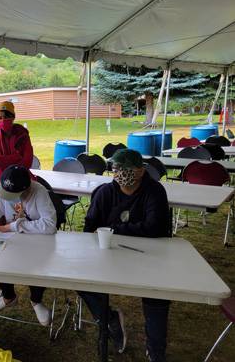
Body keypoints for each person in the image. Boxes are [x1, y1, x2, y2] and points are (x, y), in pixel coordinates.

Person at [79, 149, 172, 362]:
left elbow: (155, 228)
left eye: (124, 168)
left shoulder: (154, 191)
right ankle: (109, 319)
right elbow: (90, 228)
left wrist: (114, 228)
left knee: (158, 292)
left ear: (140, 171)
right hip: (109, 254)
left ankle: (155, 349)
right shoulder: (105, 193)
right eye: (115, 168)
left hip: (149, 256)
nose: (118, 172)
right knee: (81, 280)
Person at [0, 165, 57, 326]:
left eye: (13, 195)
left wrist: (11, 226)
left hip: (39, 244)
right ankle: (8, 296)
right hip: (14, 241)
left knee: (38, 264)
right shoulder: (2, 194)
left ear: (26, 188)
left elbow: (50, 225)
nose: (8, 198)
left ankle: (36, 300)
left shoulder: (39, 192)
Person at [0, 101, 33, 196]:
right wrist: (16, 157)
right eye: (0, 118)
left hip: (20, 181)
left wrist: (3, 159)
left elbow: (27, 162)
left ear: (13, 117)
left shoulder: (23, 135)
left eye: (6, 117)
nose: (3, 120)